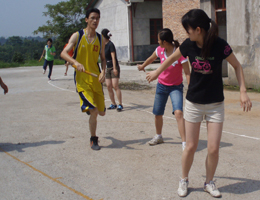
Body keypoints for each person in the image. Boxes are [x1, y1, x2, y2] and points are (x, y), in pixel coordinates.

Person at [146, 9, 252, 198]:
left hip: (215, 105)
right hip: (193, 103)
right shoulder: (188, 45)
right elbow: (171, 58)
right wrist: (155, 72)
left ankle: (209, 182)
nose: (186, 34)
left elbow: (237, 65)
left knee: (213, 148)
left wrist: (243, 91)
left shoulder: (220, 45)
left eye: (188, 30)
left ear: (198, 29)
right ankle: (184, 179)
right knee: (190, 146)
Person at [60, 8, 106, 151]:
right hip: (82, 80)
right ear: (86, 19)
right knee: (93, 112)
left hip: (95, 79)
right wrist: (75, 63)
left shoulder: (100, 39)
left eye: (97, 18)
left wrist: (103, 71)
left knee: (101, 112)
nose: (95, 21)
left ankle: (89, 108)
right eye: (92, 18)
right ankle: (93, 139)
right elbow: (63, 53)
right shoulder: (77, 36)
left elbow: (103, 58)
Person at [137, 28, 190, 151]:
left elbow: (187, 72)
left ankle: (184, 142)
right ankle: (159, 136)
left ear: (165, 41)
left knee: (179, 113)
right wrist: (142, 66)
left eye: (159, 41)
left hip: (176, 87)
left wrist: (191, 88)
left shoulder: (179, 53)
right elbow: (151, 58)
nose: (158, 43)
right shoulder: (160, 50)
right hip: (161, 85)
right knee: (157, 113)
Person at [101, 29, 123, 112]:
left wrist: (114, 68)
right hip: (107, 68)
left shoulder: (111, 45)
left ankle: (120, 104)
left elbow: (113, 57)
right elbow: (103, 58)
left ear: (104, 36)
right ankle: (113, 103)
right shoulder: (103, 46)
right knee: (108, 86)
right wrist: (103, 70)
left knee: (115, 86)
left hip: (114, 66)